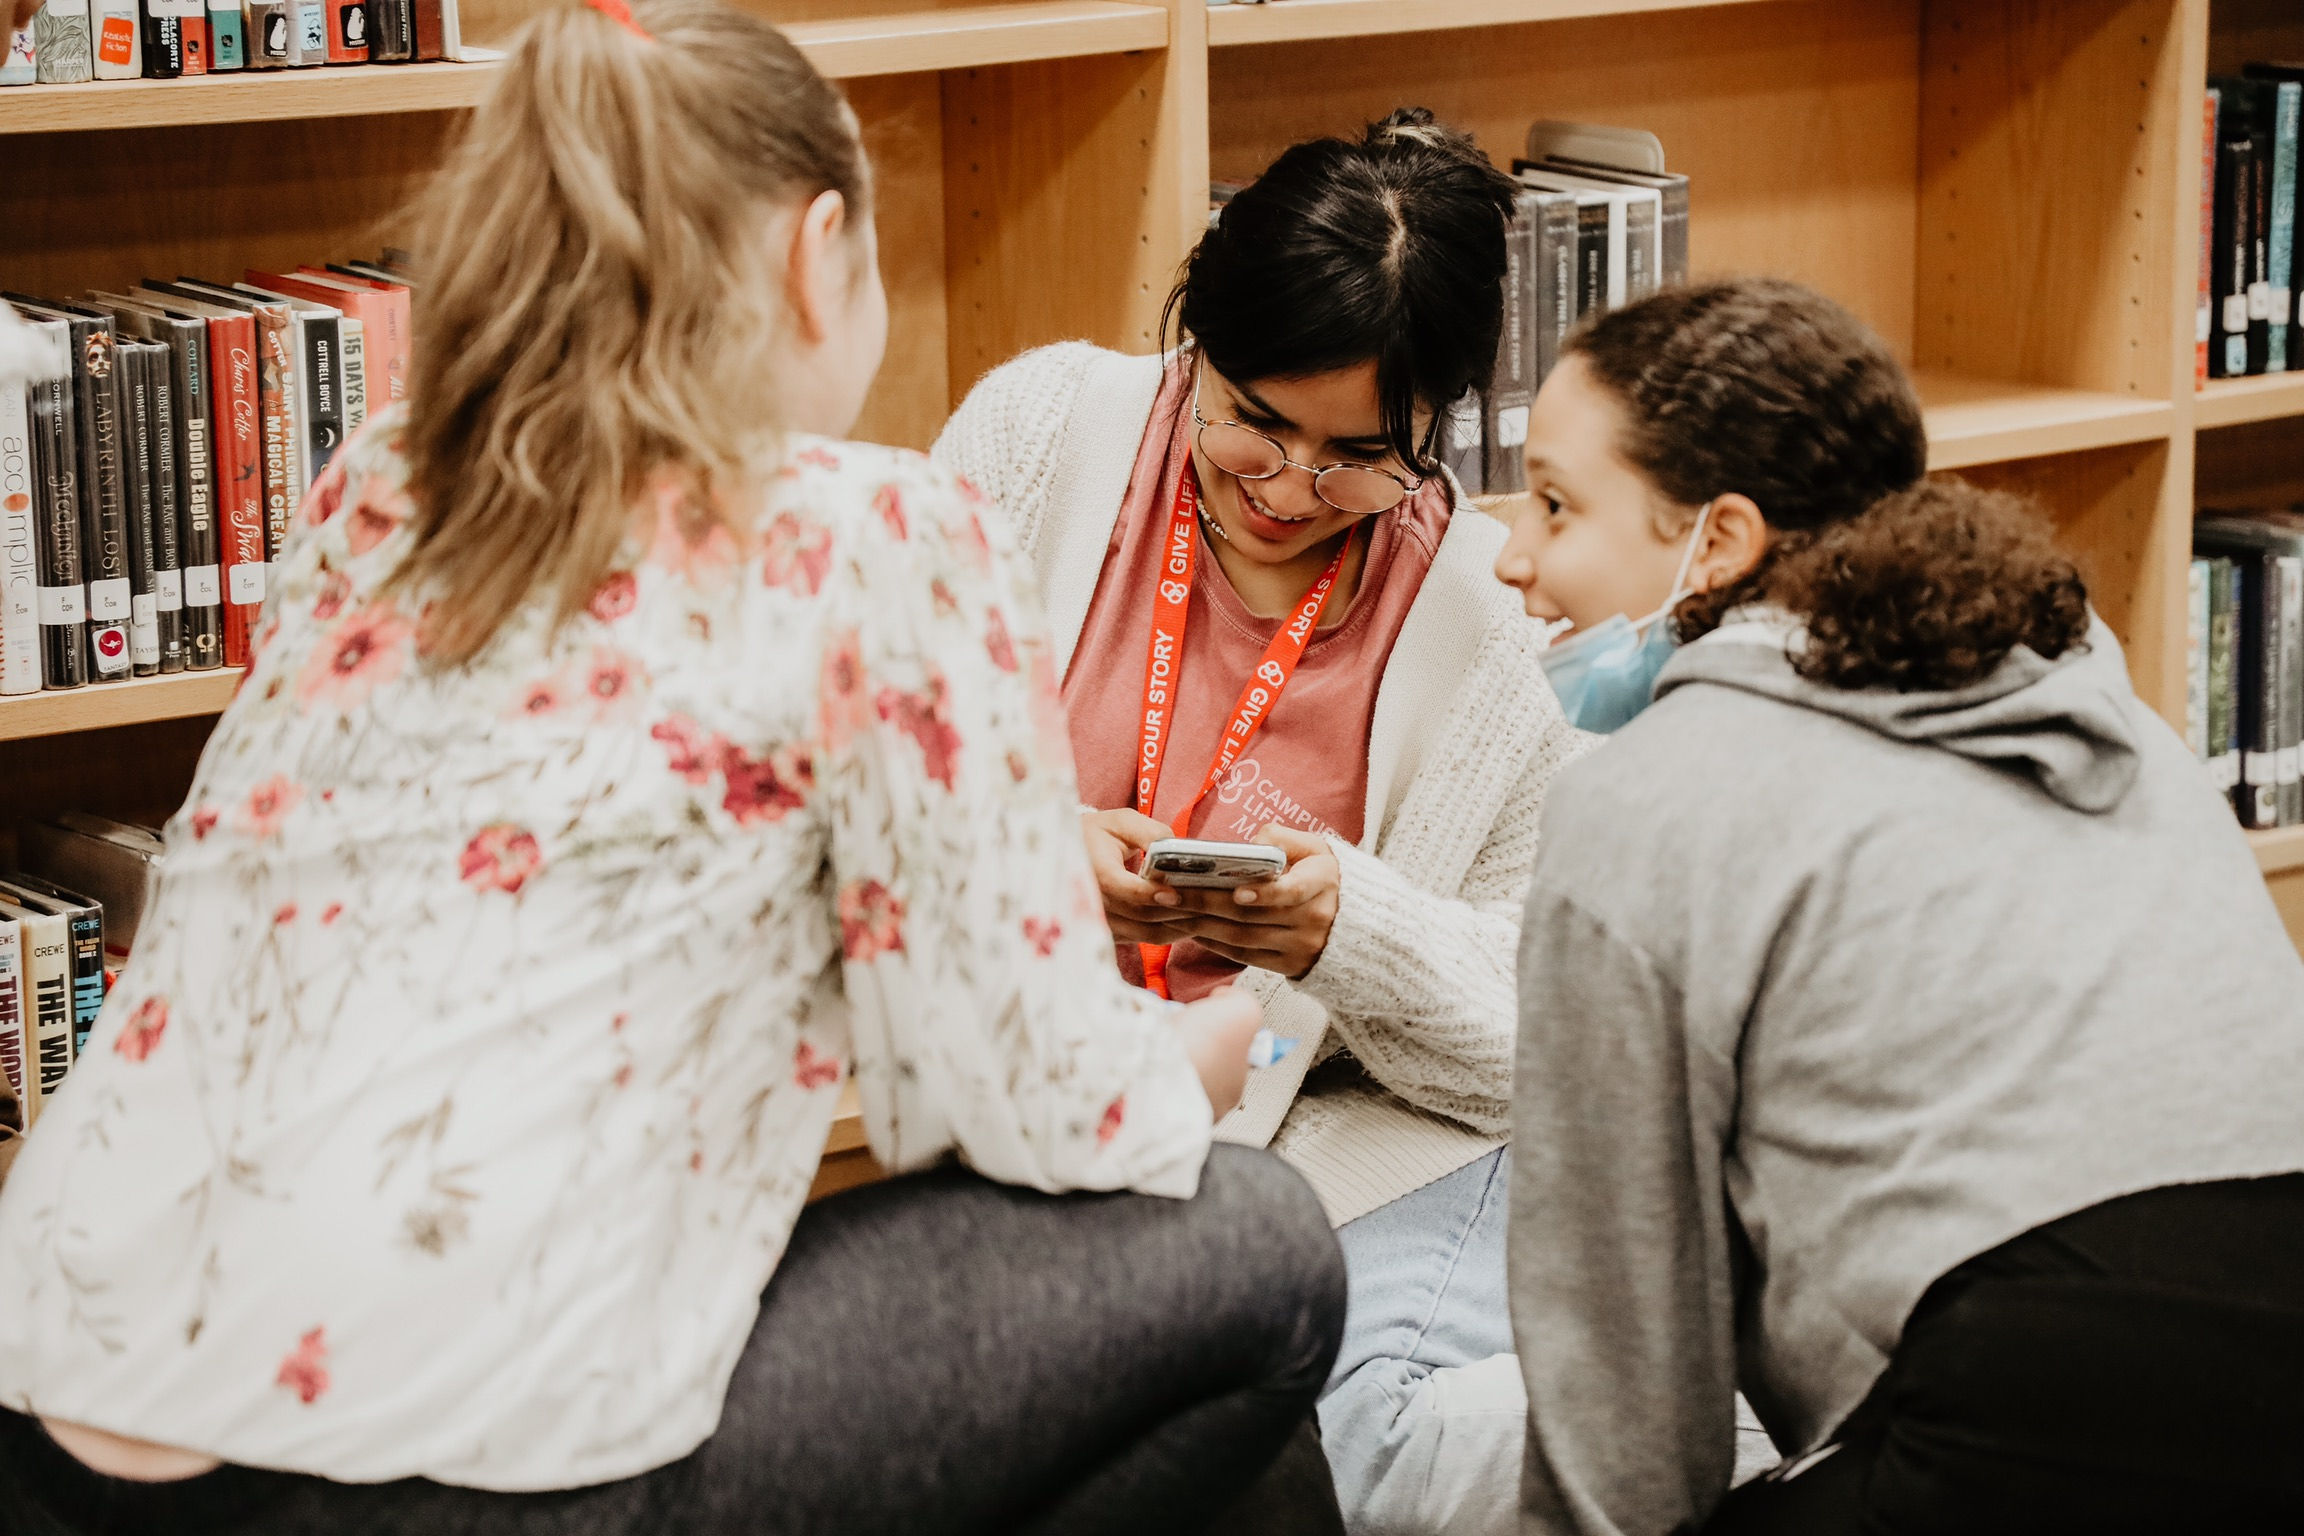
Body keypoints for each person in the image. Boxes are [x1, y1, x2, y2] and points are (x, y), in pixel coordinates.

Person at [0, 3, 1351, 1532]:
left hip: (57, 1418)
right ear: (812, 249)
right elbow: (1031, 1105)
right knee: (1261, 1247)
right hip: (437, 1472)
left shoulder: (378, 484)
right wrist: (1200, 1059)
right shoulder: (874, 529)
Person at [1494, 276, 2304, 1536]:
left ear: (1717, 541)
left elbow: (1623, 1350)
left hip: (2026, 1397)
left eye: (1554, 503)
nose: (1514, 554)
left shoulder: (1646, 806)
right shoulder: (2109, 710)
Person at [934, 109, 1587, 1536]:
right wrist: (1032, 863)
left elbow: (1549, 1040)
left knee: (1322, 1447)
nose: (1291, 489)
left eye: (1362, 456)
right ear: (1194, 334)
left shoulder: (1486, 623)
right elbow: (859, 789)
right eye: (1252, 419)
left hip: (1323, 1139)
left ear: (1440, 421)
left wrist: (1353, 931)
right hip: (1008, 1100)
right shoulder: (1036, 435)